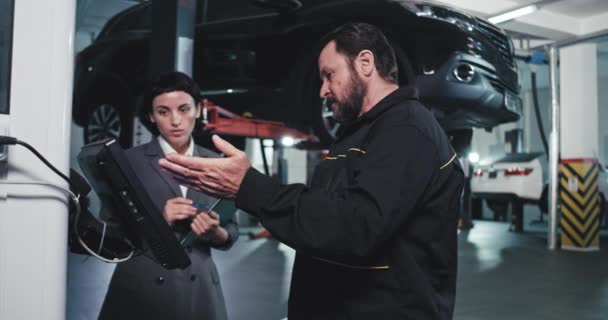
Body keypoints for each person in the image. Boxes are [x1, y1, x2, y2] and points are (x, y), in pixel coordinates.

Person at [160, 23, 464, 320]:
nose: (322, 90)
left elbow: (356, 228)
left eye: (329, 75)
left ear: (365, 63)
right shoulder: (358, 134)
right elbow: (323, 221)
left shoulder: (407, 129)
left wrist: (249, 187)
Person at [98, 71, 238, 320]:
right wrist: (158, 221)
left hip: (200, 291)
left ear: (198, 109)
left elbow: (231, 233)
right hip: (142, 289)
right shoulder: (127, 163)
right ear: (151, 116)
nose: (176, 120)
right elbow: (109, 234)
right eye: (163, 112)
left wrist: (216, 232)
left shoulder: (217, 163)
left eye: (184, 109)